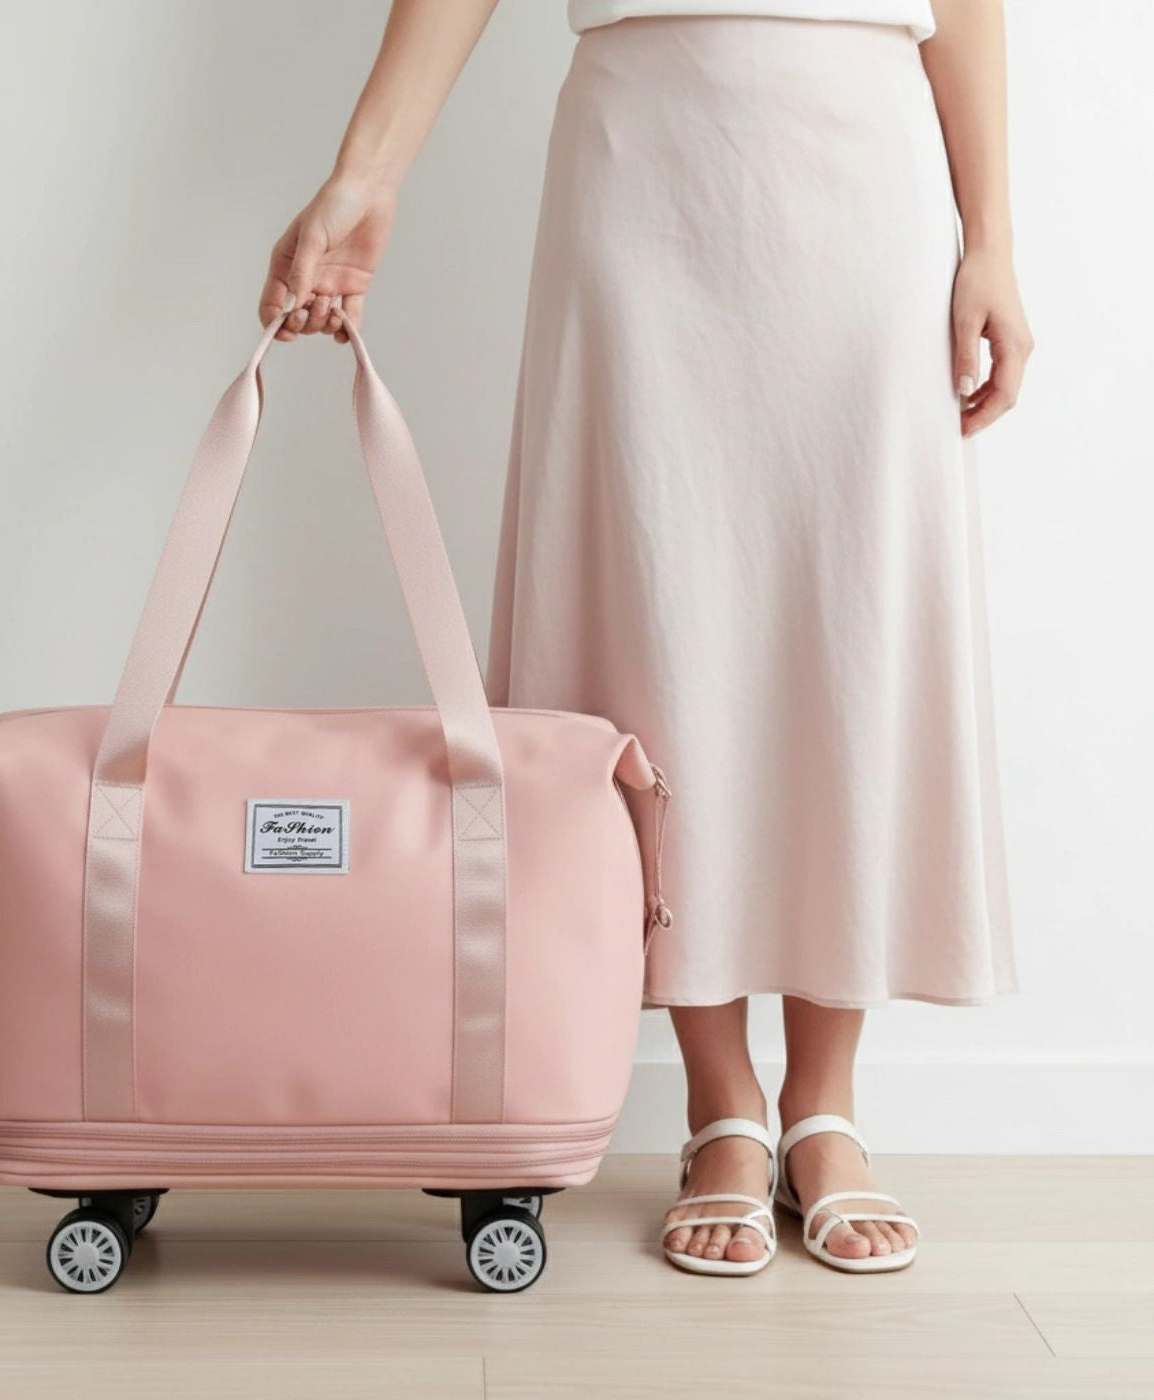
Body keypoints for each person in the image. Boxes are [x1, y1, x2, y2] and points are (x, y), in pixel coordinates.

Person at [258, 0, 1029, 1276]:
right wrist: (362, 175)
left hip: (864, 163)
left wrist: (990, 237)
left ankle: (824, 1102)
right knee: (657, 609)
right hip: (641, 159)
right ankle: (719, 1101)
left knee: (848, 611)